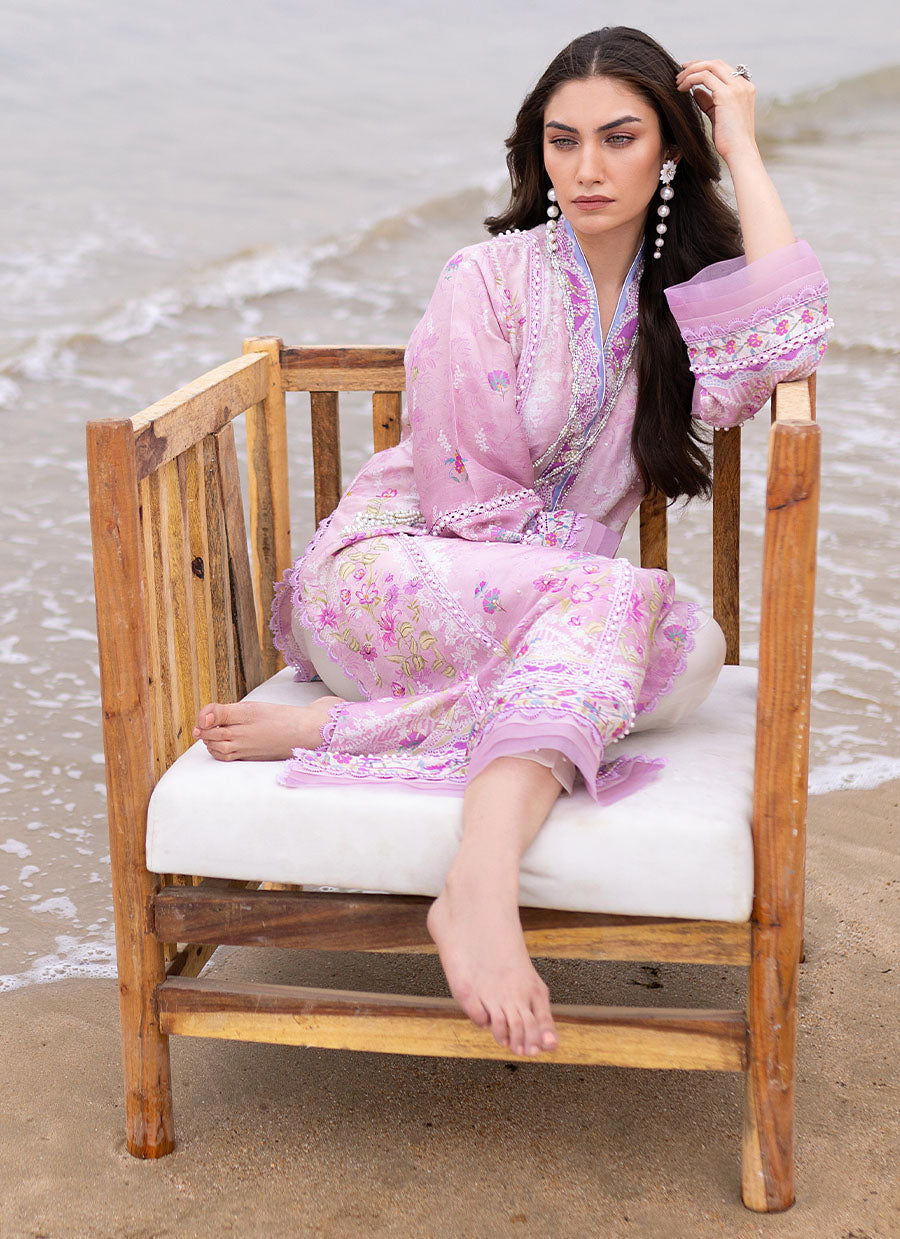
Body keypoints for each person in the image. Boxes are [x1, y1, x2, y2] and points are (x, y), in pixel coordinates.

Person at [193, 28, 830, 1060]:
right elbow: (465, 508)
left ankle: (337, 730)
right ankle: (479, 887)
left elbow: (790, 341)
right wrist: (600, 593)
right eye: (562, 141)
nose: (586, 169)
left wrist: (744, 145)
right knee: (626, 605)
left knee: (695, 649)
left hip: (542, 621)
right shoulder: (485, 279)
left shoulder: (676, 310)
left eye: (620, 137)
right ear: (538, 152)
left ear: (670, 149)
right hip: (391, 579)